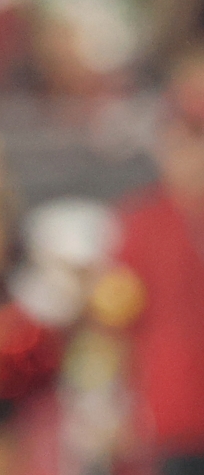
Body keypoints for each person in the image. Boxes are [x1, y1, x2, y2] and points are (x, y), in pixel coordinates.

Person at [111, 51, 204, 475]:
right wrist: (112, 406)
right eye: (185, 135)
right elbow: (113, 320)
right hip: (169, 419)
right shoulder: (141, 222)